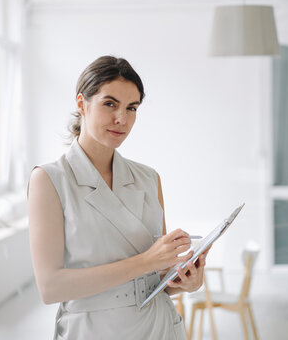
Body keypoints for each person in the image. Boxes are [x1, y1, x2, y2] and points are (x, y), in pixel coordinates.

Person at [27, 55, 211, 339]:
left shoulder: (149, 179)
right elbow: (51, 287)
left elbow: (157, 276)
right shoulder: (49, 180)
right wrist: (148, 261)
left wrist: (185, 282)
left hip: (158, 327)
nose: (121, 119)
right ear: (81, 104)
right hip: (95, 330)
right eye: (110, 104)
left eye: (131, 108)